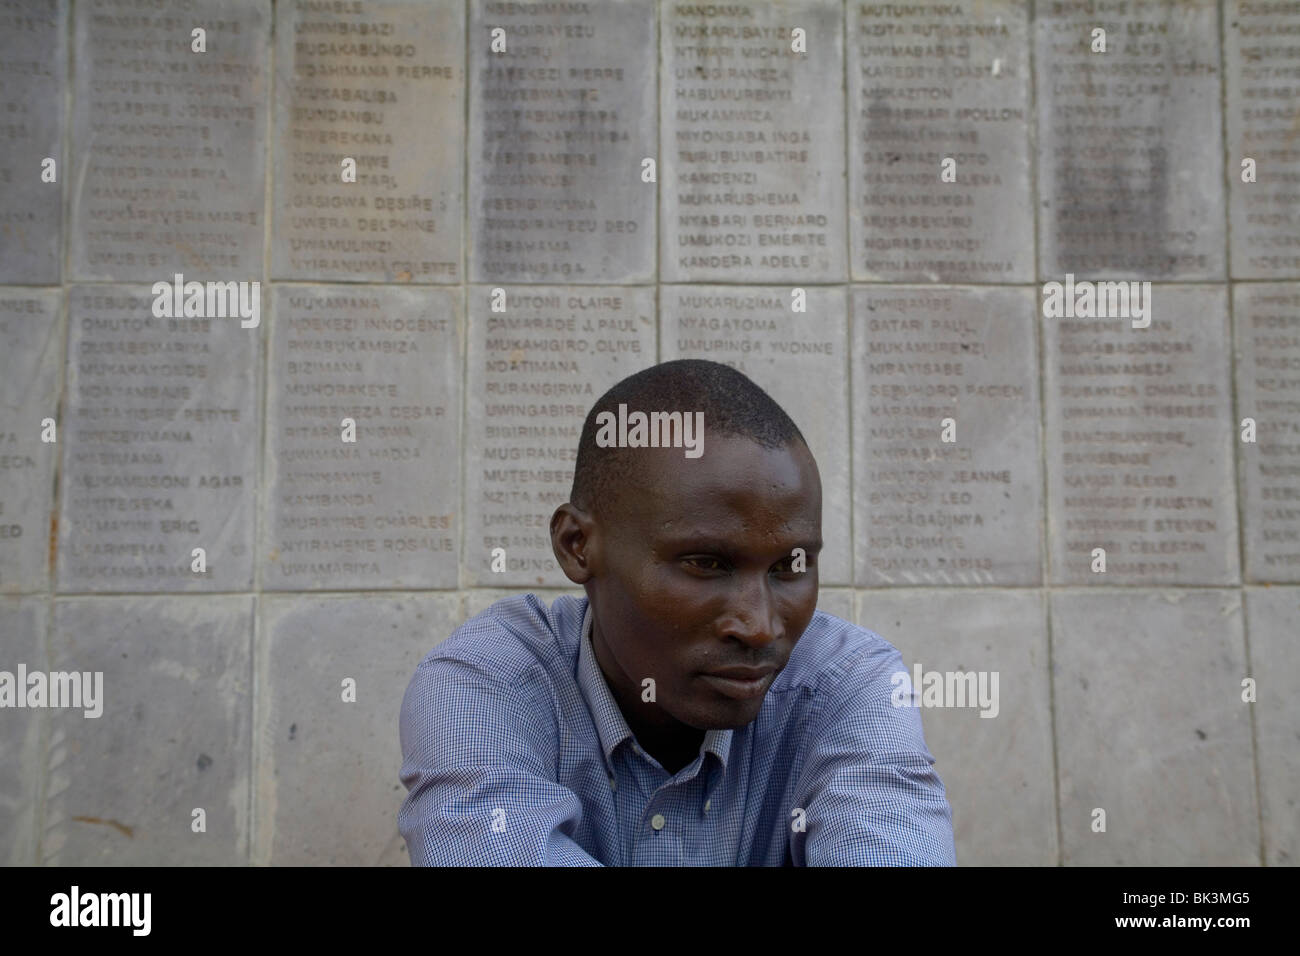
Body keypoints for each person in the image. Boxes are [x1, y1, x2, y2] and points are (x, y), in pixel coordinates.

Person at [398, 359, 956, 865]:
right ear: (576, 545)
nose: (759, 625)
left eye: (789, 566)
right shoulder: (487, 681)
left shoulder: (847, 682)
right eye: (706, 564)